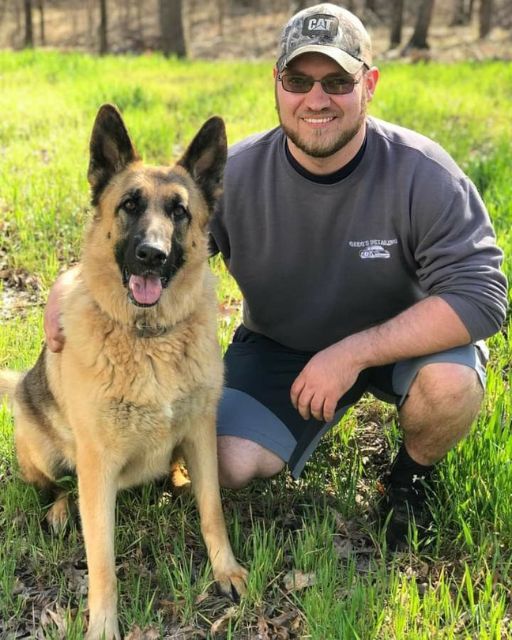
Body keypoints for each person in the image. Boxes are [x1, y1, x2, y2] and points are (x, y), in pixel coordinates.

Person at [46, 4, 507, 549]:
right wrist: (68, 284)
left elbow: (484, 297)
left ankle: (409, 479)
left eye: (338, 81)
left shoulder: (422, 172)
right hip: (282, 348)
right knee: (227, 462)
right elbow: (159, 243)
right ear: (277, 84)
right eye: (298, 80)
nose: (316, 99)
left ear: (369, 84)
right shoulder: (236, 177)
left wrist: (351, 354)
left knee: (449, 386)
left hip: (404, 341)